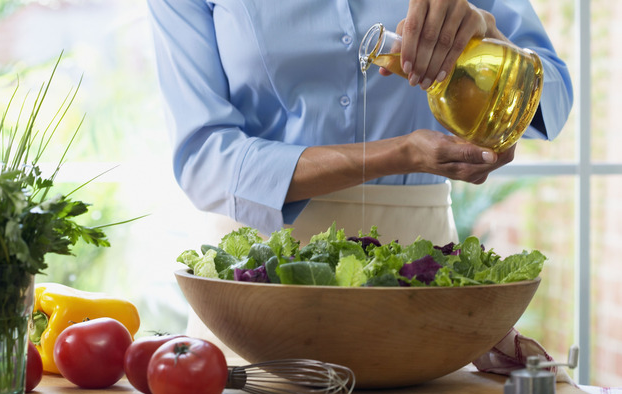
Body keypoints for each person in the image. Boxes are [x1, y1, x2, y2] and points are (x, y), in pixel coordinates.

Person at [146, 0, 572, 247]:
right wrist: (400, 155)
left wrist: (495, 44)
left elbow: (554, 95)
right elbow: (204, 160)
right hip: (257, 282)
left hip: (422, 271)